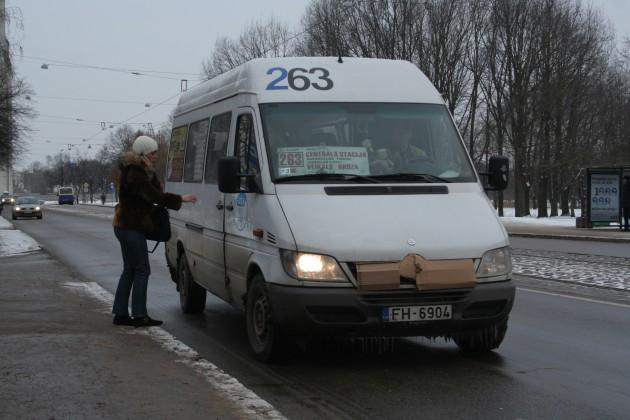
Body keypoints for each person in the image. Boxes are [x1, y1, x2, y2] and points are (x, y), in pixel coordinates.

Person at [112, 135, 197, 327]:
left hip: (125, 226)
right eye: (152, 153)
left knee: (130, 269)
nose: (156, 156)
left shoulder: (139, 171)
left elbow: (153, 191)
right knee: (142, 269)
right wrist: (181, 199)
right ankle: (139, 315)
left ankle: (120, 314)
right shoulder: (135, 173)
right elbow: (154, 195)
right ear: (143, 153)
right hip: (131, 227)